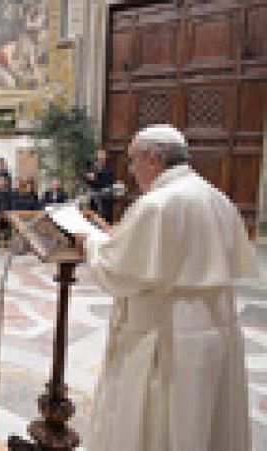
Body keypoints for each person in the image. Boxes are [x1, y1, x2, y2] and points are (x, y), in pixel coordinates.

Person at [77, 125, 259, 451]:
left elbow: (119, 274)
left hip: (166, 333)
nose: (130, 171)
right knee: (202, 422)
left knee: (161, 422)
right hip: (214, 329)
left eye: (133, 161)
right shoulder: (217, 198)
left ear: (155, 159)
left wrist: (90, 242)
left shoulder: (158, 204)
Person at [85, 149, 114, 223]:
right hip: (95, 199)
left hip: (106, 200)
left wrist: (95, 180)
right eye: (101, 155)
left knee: (106, 220)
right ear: (97, 157)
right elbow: (89, 182)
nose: (103, 158)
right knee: (95, 220)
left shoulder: (109, 170)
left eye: (104, 156)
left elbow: (107, 183)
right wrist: (92, 179)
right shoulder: (91, 169)